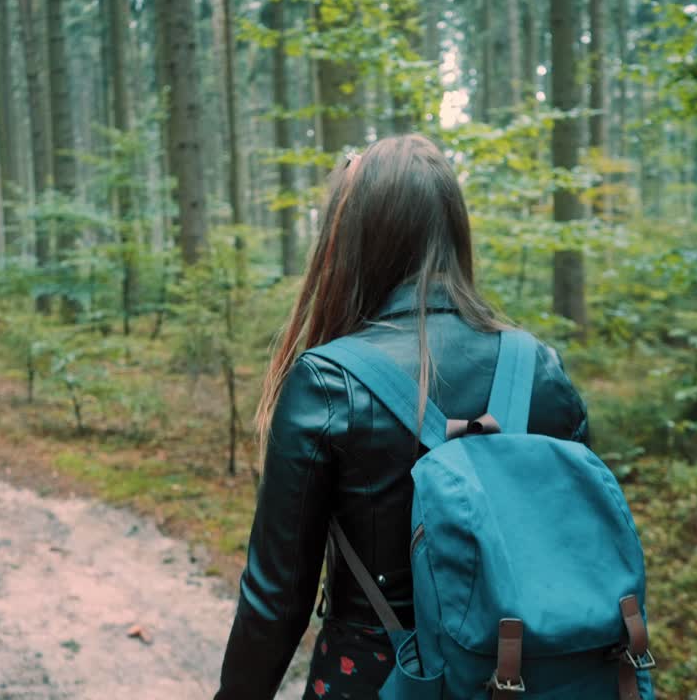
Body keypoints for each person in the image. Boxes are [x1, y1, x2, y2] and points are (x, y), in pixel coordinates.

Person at [214, 134, 591, 700]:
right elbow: (579, 552)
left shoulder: (327, 382)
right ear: (453, 231)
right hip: (525, 680)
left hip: (373, 679)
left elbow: (277, 600)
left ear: (351, 241)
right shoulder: (541, 369)